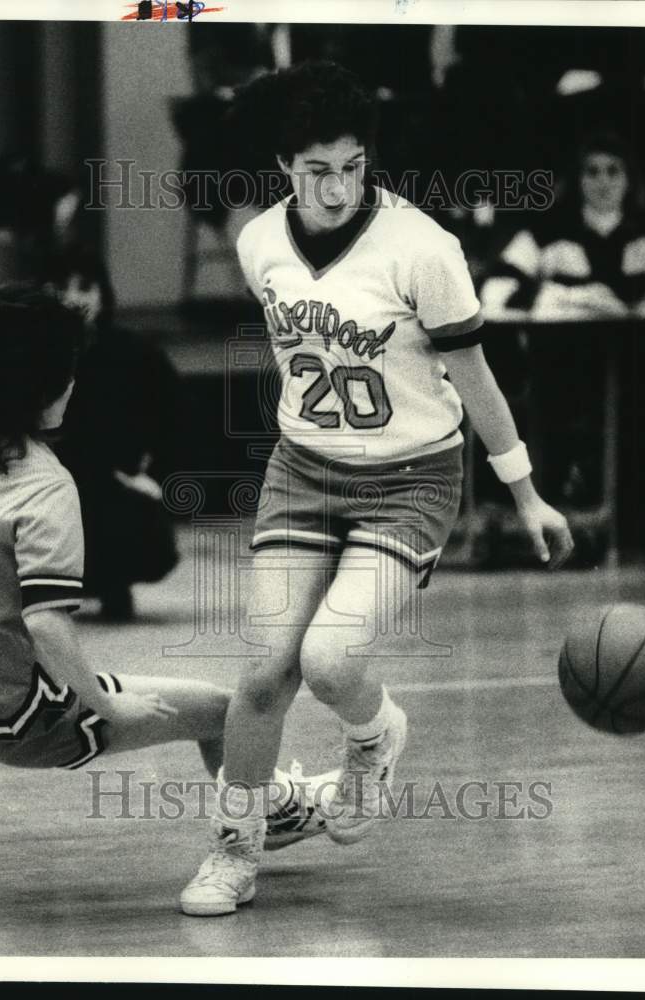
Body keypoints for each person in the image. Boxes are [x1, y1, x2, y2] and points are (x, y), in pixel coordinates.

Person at [180, 61, 574, 917]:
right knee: (261, 676)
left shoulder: (424, 249)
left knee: (330, 661)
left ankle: (374, 734)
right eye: (317, 169)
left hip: (411, 478)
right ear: (285, 164)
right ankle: (234, 849)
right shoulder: (257, 244)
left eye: (353, 165)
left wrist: (527, 492)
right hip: (303, 469)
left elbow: (476, 381)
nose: (337, 185)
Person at [0, 284, 333, 852]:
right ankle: (268, 821)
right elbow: (47, 627)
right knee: (222, 711)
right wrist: (105, 702)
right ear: (34, 386)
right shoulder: (44, 487)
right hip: (10, 720)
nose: (74, 382)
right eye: (66, 370)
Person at [45, 250, 181, 621]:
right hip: (50, 485)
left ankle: (113, 583)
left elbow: (174, 420)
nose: (74, 299)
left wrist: (156, 479)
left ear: (103, 294)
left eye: (85, 288)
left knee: (115, 503)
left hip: (114, 485)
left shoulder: (135, 355)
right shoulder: (31, 356)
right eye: (62, 288)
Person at [480, 132, 645, 317]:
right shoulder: (545, 234)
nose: (603, 182)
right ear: (578, 180)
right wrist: (552, 296)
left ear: (629, 179)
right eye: (592, 171)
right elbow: (493, 289)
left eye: (613, 171)